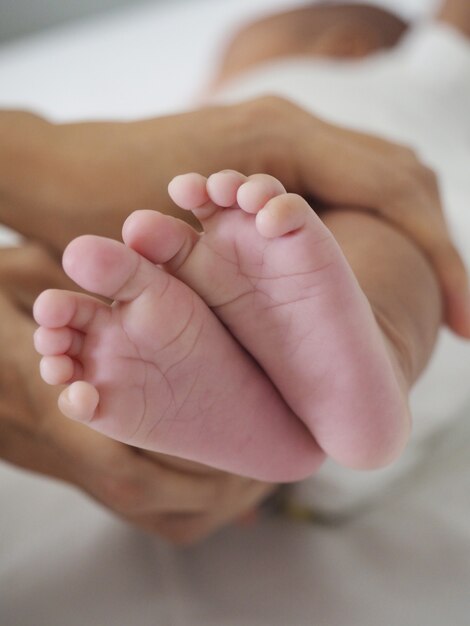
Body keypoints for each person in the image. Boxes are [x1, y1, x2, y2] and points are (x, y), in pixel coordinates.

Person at [1, 0, 467, 541]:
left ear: (346, 47)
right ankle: (314, 391)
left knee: (329, 228)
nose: (207, 93)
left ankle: (359, 358)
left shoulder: (402, 72)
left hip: (397, 255)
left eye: (225, 68)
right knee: (166, 324)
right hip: (391, 379)